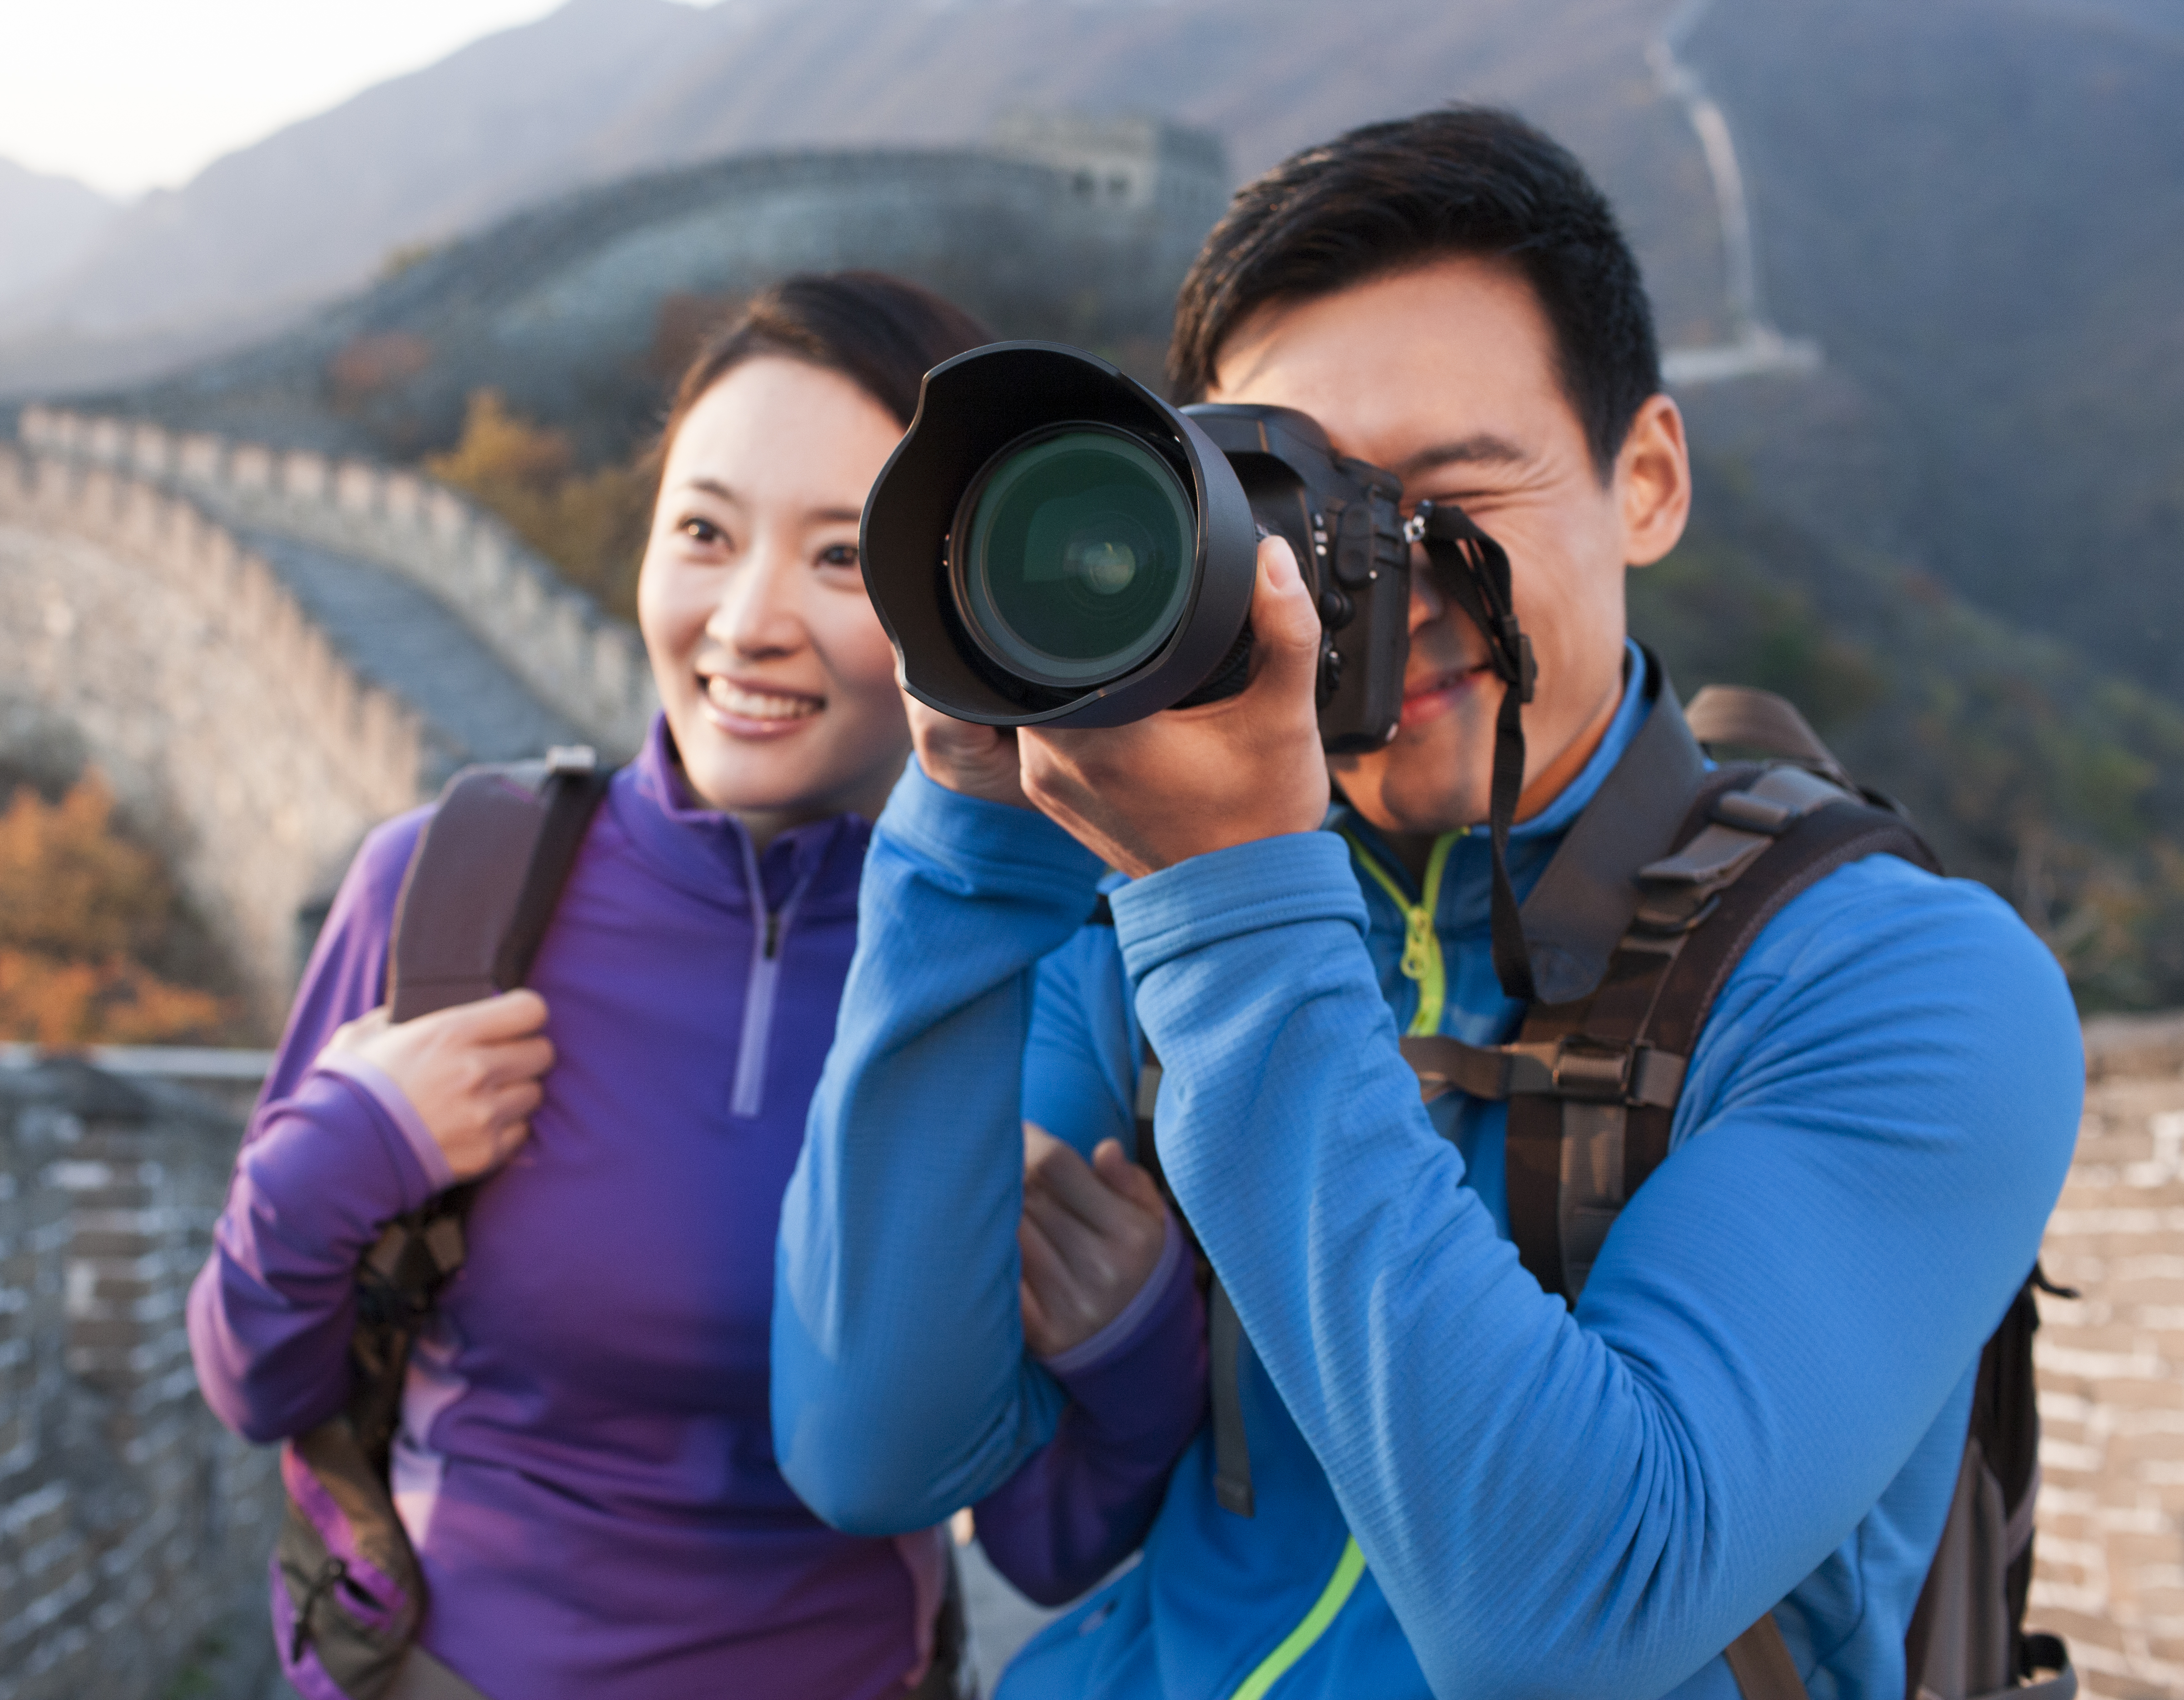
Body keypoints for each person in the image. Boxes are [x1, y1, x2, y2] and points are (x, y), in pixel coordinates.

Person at [772, 110, 2084, 1699]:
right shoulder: (1136, 938)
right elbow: (878, 1451)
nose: (1382, 584)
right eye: (1304, 509)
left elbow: (1570, 1617)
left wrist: (1237, 904)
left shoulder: (1889, 978)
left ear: (1647, 480)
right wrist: (965, 854)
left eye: (1462, 490)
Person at [188, 272, 998, 1700]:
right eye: (704, 534)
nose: (747, 623)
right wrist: (349, 1146)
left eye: (841, 561)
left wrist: (1120, 1333)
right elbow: (260, 1381)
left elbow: (1059, 1539)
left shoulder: (1006, 970)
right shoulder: (450, 889)